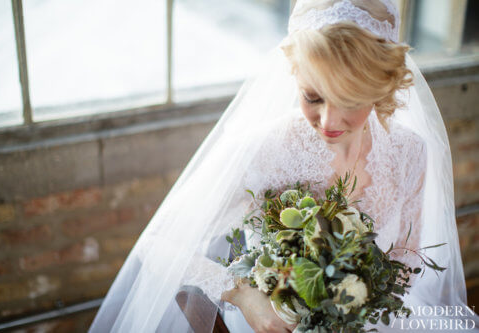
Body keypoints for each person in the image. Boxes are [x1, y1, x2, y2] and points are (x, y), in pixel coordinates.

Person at [89, 0, 479, 332]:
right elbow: (157, 243)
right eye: (312, 97)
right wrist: (243, 294)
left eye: (349, 101)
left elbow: (407, 260)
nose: (328, 122)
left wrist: (354, 305)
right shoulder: (264, 149)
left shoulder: (411, 151)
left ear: (380, 89)